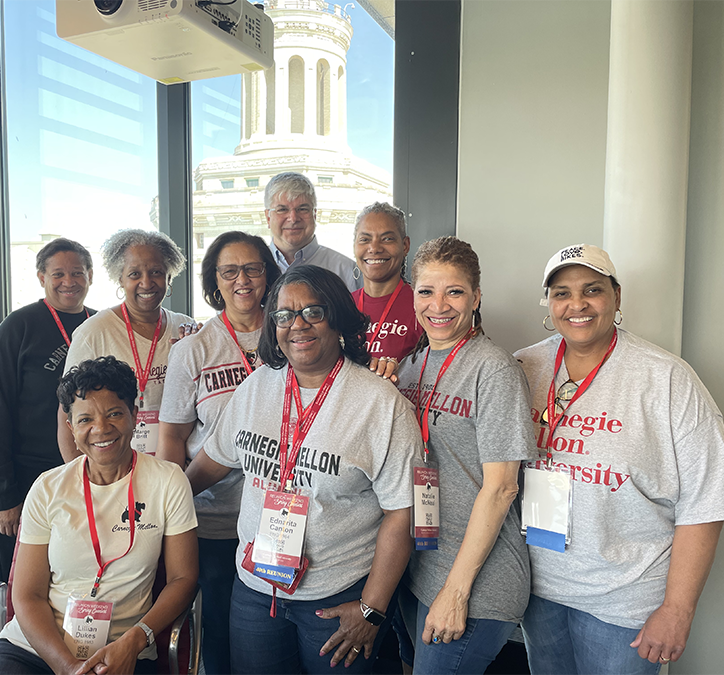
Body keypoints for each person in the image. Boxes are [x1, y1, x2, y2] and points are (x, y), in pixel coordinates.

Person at [514, 243, 724, 675]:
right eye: (561, 292)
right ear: (549, 303)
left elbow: (706, 500)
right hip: (536, 589)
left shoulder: (666, 378)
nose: (576, 304)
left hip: (623, 600)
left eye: (592, 290)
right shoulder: (522, 366)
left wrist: (677, 609)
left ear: (617, 297)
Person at [185, 264, 422, 675]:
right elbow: (213, 461)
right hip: (256, 593)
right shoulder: (257, 386)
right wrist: (156, 501)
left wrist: (372, 608)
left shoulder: (379, 404)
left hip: (337, 598)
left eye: (314, 311)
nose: (298, 325)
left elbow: (403, 511)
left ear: (338, 319)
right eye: (284, 315)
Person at [0, 356, 198, 675]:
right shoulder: (48, 487)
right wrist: (65, 667)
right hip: (36, 646)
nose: (101, 429)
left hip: (122, 650)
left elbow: (182, 579)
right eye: (85, 420)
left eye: (114, 414)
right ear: (71, 428)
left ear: (134, 416)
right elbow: (27, 595)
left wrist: (136, 640)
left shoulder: (168, 481)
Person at [394, 236, 536, 675]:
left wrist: (456, 592)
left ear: (476, 297)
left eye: (454, 291)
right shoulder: (413, 365)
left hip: (475, 580)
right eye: (426, 291)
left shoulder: (493, 369)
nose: (439, 305)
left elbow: (502, 488)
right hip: (419, 563)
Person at [157, 231, 281, 675]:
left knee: (276, 630)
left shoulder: (292, 336)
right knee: (224, 633)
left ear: (268, 274)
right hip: (214, 520)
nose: (242, 279)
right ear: (215, 280)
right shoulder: (193, 349)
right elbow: (171, 436)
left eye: (253, 268)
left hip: (281, 517)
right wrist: (173, 505)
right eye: (230, 271)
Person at [0, 237, 95, 582]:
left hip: (89, 475)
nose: (68, 281)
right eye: (58, 273)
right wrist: (4, 495)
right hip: (27, 481)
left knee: (78, 577)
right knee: (22, 583)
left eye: (77, 272)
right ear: (41, 277)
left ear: (90, 276)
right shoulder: (17, 328)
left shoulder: (101, 324)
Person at [59, 229, 194, 461]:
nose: (146, 282)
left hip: (173, 466)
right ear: (120, 279)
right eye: (134, 274)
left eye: (156, 272)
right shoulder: (94, 332)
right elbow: (68, 413)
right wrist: (80, 479)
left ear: (169, 276)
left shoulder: (185, 328)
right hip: (113, 465)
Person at [352, 201, 423, 381]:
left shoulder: (424, 306)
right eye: (365, 239)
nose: (374, 248)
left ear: (405, 245)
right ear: (355, 246)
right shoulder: (342, 305)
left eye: (387, 238)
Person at [265, 171, 361, 292]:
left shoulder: (347, 271)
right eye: (282, 209)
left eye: (303, 209)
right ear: (268, 217)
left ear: (314, 215)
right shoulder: (251, 272)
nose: (293, 218)